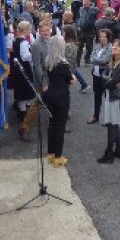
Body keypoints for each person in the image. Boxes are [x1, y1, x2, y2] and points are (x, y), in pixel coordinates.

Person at [97, 39, 120, 164]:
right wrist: (109, 80)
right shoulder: (113, 61)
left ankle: (109, 153)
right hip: (111, 97)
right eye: (114, 46)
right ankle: (119, 150)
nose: (114, 48)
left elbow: (109, 83)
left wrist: (109, 80)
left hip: (116, 99)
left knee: (112, 125)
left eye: (117, 47)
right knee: (114, 125)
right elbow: (104, 76)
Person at [43, 35, 74, 167]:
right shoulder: (63, 63)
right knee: (60, 127)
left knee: (52, 125)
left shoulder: (48, 60)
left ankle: (50, 153)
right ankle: (58, 156)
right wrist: (72, 78)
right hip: (61, 96)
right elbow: (71, 80)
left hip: (50, 94)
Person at [21, 19, 51, 142]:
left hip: (51, 78)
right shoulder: (36, 45)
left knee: (51, 102)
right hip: (42, 80)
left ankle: (54, 124)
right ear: (39, 31)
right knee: (37, 104)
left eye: (47, 30)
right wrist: (44, 83)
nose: (46, 32)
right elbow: (37, 67)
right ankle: (24, 127)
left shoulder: (50, 41)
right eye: (43, 31)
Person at [10, 21, 35, 131]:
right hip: (23, 68)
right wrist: (32, 53)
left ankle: (21, 110)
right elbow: (25, 56)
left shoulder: (15, 39)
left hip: (17, 68)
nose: (30, 31)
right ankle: (22, 114)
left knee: (20, 90)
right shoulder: (24, 42)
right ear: (25, 30)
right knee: (24, 90)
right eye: (29, 29)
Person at [87, 29, 112, 124]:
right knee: (97, 96)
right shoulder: (97, 45)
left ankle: (109, 119)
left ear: (108, 37)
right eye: (100, 36)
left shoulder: (110, 48)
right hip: (96, 75)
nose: (102, 38)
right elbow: (90, 57)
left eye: (104, 37)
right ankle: (95, 116)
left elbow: (105, 60)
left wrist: (95, 59)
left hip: (105, 76)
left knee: (108, 97)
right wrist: (97, 59)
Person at [63, 25, 90, 93]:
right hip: (72, 63)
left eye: (63, 32)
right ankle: (84, 84)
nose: (62, 33)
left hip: (69, 64)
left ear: (67, 33)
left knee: (67, 78)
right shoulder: (72, 42)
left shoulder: (68, 45)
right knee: (75, 72)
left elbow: (68, 56)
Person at [76, 0, 98, 66]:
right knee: (79, 46)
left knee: (89, 47)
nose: (84, 3)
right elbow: (77, 18)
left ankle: (87, 60)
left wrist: (90, 8)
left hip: (89, 31)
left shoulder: (94, 9)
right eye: (83, 1)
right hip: (81, 31)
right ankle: (77, 61)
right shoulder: (81, 9)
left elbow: (95, 16)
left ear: (89, 2)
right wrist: (78, 25)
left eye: (86, 1)